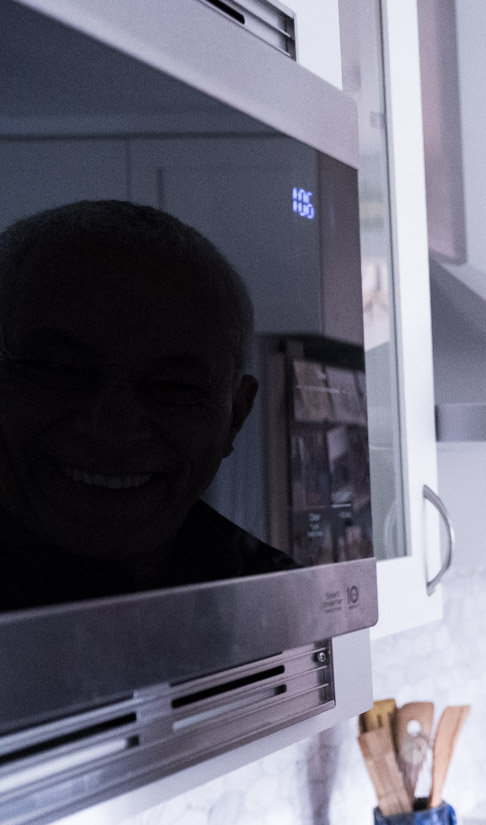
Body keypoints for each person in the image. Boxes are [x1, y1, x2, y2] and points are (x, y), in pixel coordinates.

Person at [0, 199, 295, 611]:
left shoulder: (279, 604)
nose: (112, 428)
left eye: (173, 385)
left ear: (236, 416)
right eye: (58, 369)